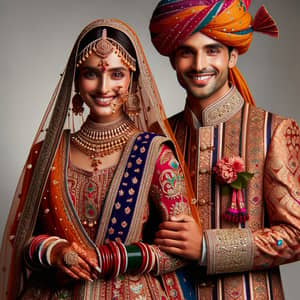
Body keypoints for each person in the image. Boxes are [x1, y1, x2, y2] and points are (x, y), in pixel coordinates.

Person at [0, 18, 200, 299]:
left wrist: (115, 258)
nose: (104, 87)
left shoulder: (155, 153)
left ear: (132, 80)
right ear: (76, 79)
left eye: (117, 74)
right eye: (91, 73)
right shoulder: (49, 153)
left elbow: (180, 252)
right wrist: (55, 251)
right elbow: (21, 243)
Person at [149, 0, 300, 299]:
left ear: (233, 57)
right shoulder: (156, 136)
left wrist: (207, 247)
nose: (199, 64)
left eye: (212, 50)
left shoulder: (274, 131)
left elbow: (296, 235)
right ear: (172, 60)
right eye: (186, 52)